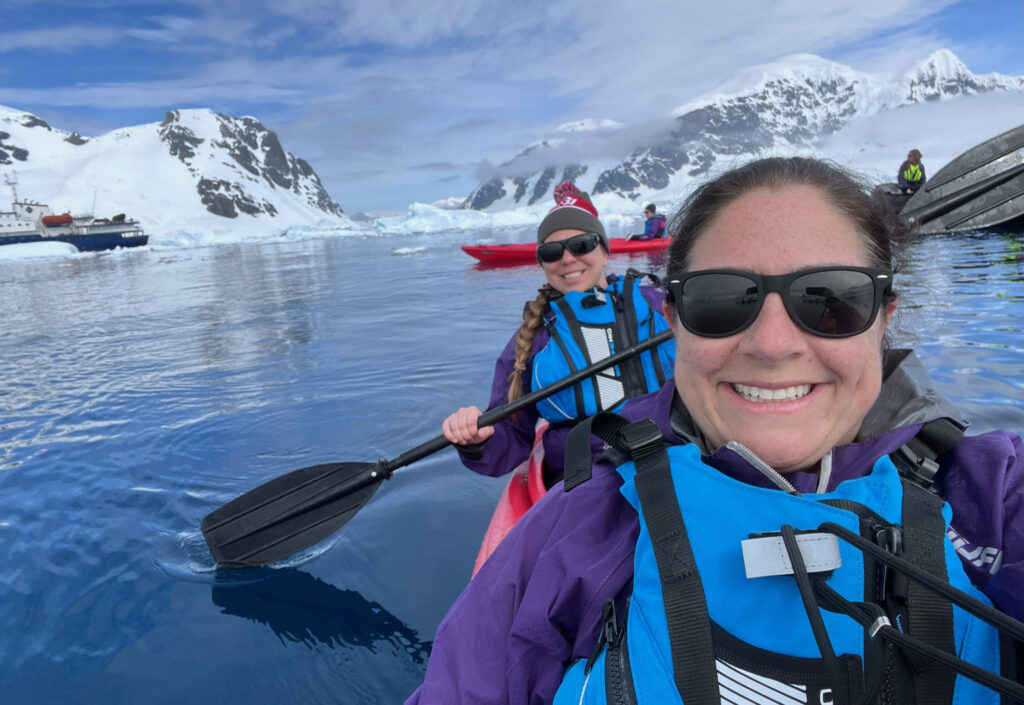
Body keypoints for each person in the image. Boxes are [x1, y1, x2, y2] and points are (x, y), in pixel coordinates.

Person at [408, 157, 1022, 704]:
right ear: (681, 321)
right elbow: (509, 445)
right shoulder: (574, 488)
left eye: (828, 298)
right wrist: (479, 445)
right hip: (584, 467)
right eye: (723, 303)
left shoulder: (992, 498)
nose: (773, 344)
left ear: (883, 318)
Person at [442, 180, 675, 485]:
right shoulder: (531, 340)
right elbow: (510, 437)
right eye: (552, 252)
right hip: (588, 475)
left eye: (582, 245)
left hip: (680, 451)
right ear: (543, 265)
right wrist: (477, 440)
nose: (567, 258)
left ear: (604, 253)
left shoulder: (661, 304)